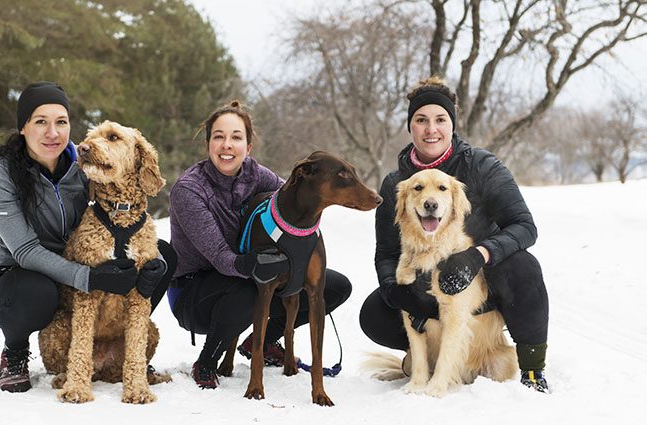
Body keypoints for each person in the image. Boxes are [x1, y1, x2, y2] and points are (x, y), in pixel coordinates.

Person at [0, 81, 176, 393]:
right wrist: (91, 278)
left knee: (163, 257)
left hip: (83, 266)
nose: (52, 133)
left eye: (61, 122)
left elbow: (127, 219)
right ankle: (14, 351)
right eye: (40, 122)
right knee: (35, 291)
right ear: (23, 128)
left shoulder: (86, 167)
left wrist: (154, 263)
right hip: (25, 275)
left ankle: (126, 349)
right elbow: (26, 251)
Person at [359, 76, 550, 393]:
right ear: (411, 127)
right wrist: (397, 292)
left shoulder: (481, 166)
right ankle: (431, 358)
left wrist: (478, 255)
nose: (430, 129)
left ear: (452, 124)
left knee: (522, 266)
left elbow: (524, 226)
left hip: (481, 289)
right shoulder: (398, 183)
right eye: (421, 120)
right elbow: (387, 252)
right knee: (374, 313)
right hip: (424, 288)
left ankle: (532, 371)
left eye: (440, 120)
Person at [167, 101, 353, 389]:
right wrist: (253, 264)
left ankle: (262, 341)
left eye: (236, 137)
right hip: (193, 291)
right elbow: (219, 257)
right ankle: (207, 360)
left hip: (243, 276)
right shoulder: (189, 190)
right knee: (249, 287)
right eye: (218, 136)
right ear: (208, 144)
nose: (227, 145)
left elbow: (288, 200)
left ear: (248, 146)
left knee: (335, 286)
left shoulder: (256, 174)